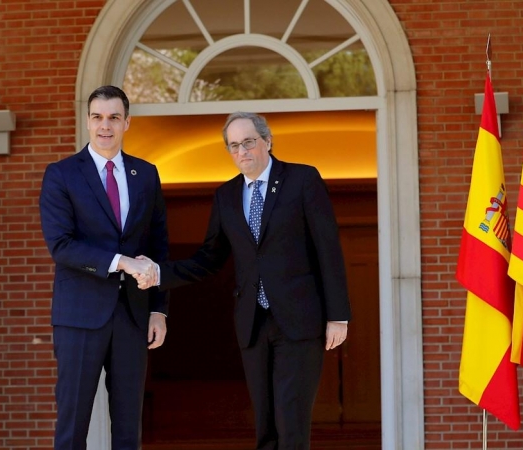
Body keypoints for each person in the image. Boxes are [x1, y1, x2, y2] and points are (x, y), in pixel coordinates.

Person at [136, 111, 352, 450]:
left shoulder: (302, 180)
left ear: (267, 141)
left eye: (248, 142)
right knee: (265, 425)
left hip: (299, 320)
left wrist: (337, 315)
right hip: (253, 323)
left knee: (291, 422)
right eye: (234, 145)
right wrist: (160, 273)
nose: (242, 151)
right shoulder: (226, 196)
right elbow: (210, 258)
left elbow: (328, 249)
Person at [39, 85, 168, 450]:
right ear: (88, 121)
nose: (105, 125)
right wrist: (121, 262)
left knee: (129, 428)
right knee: (72, 425)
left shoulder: (146, 174)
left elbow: (158, 247)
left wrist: (159, 309)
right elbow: (61, 245)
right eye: (97, 117)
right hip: (79, 316)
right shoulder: (62, 174)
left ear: (127, 122)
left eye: (113, 117)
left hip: (133, 315)